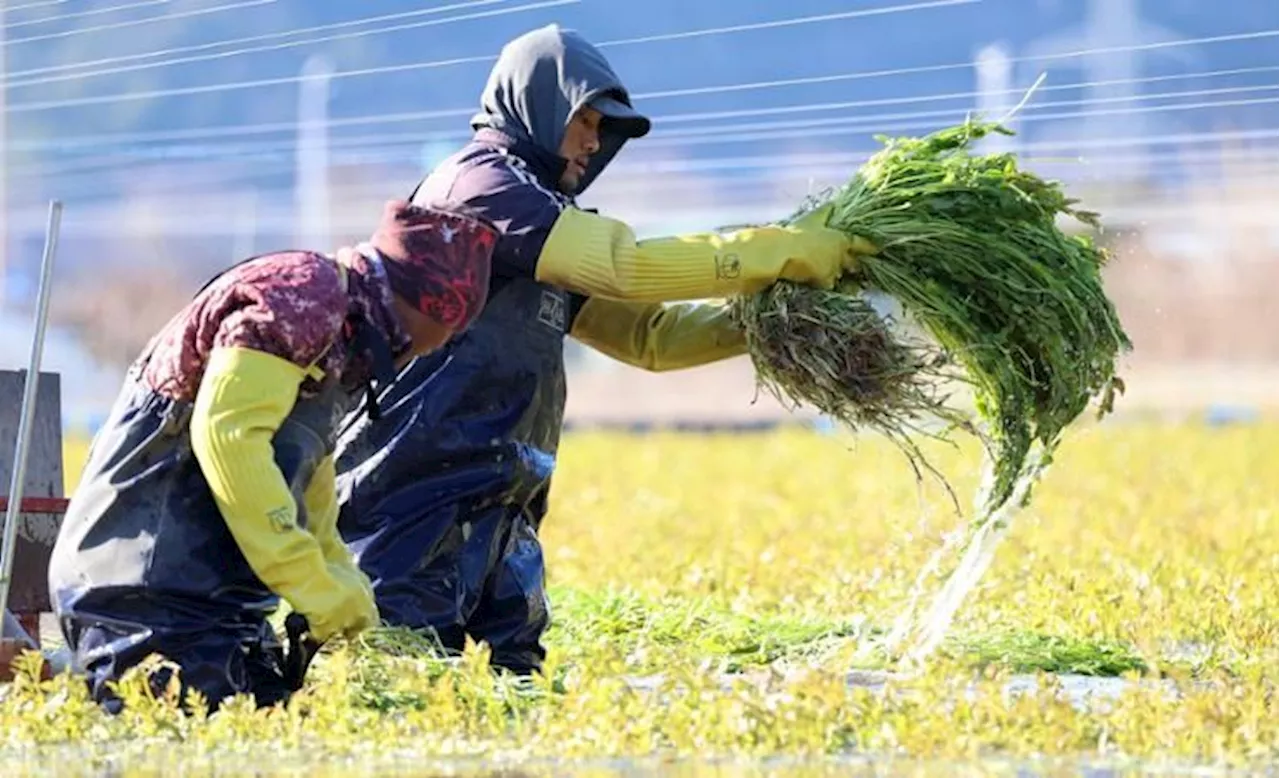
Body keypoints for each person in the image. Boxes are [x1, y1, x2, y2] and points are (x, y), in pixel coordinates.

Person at [332, 24, 876, 675]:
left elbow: (651, 337)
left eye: (602, 126)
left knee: (510, 698)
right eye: (583, 121)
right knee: (409, 693)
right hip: (411, 511)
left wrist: (776, 321)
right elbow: (625, 267)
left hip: (500, 516)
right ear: (537, 109)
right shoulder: (482, 187)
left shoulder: (543, 215)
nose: (594, 141)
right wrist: (786, 249)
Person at [47, 199, 499, 712]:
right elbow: (228, 436)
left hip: (214, 604)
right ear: (434, 305)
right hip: (141, 596)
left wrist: (341, 580)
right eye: (452, 330)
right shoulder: (304, 298)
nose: (440, 348)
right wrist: (311, 582)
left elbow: (310, 472)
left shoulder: (350, 336)